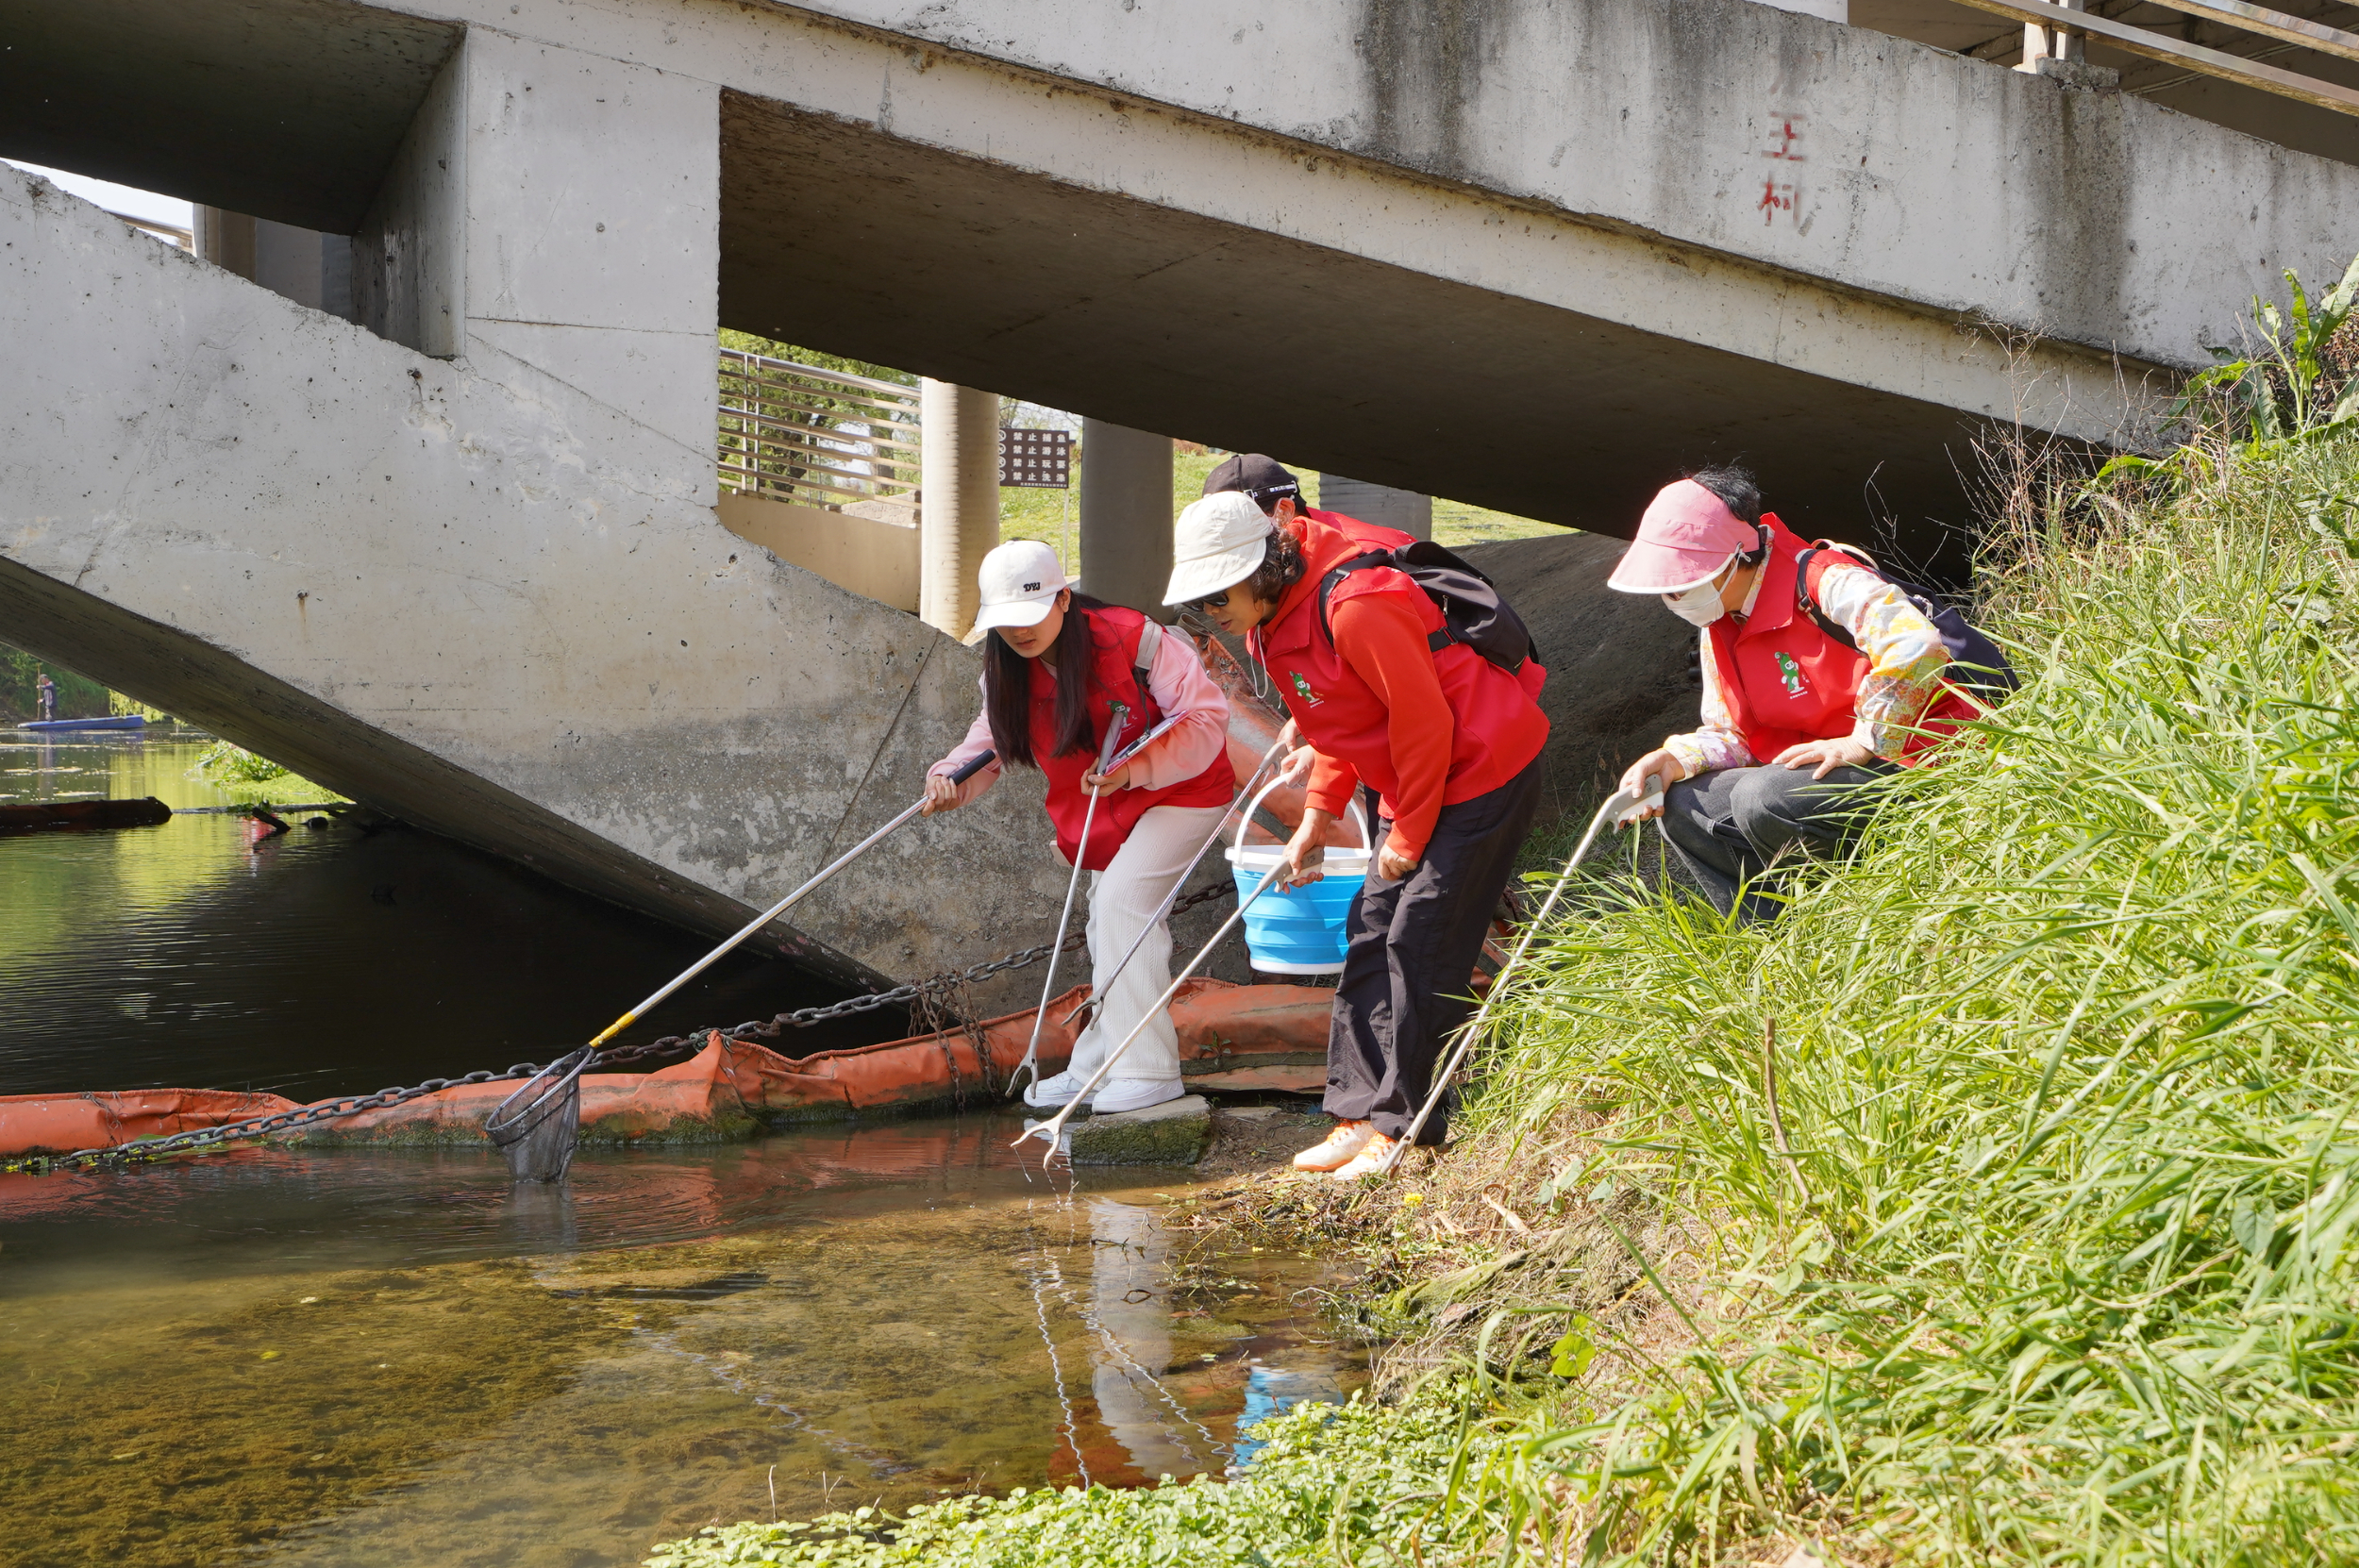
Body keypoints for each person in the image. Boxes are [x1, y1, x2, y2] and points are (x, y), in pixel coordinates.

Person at [1164, 470, 1549, 1180]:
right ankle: (1354, 1112)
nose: (1210, 611)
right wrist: (1315, 816)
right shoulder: (1270, 620)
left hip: (1481, 763)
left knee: (1421, 935)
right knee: (1370, 928)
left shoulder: (1357, 602)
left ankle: (1403, 1126)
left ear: (1263, 567)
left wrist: (1404, 838)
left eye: (1217, 594)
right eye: (1199, 600)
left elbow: (1424, 723)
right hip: (1414, 775)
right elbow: (1336, 721)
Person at [923, 539, 1234, 1115]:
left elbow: (1207, 719)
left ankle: (1148, 1073)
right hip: (1103, 810)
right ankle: (1096, 1067)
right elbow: (987, 743)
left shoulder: (1135, 640)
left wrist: (1135, 768)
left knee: (1120, 905)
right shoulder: (1005, 671)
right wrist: (948, 778)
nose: (1019, 632)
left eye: (1031, 614)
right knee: (1106, 927)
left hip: (1183, 792)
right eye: (1005, 621)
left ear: (1064, 598)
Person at [1606, 467, 1981, 923]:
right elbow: (1733, 732)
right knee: (1682, 805)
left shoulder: (1827, 580)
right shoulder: (1718, 623)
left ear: (1734, 556)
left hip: (1915, 762)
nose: (1672, 598)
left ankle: (1862, 917)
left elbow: (1917, 647)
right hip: (1817, 772)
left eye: (1681, 583)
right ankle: (1774, 941)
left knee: (1762, 797)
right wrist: (1675, 760)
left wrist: (1861, 741)